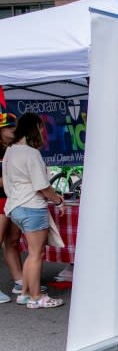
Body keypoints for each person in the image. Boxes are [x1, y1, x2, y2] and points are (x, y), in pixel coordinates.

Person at [2, 113, 64, 309]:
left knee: (31, 253)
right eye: (41, 127)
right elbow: (42, 186)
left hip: (15, 205)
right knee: (36, 254)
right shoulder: (31, 153)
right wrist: (58, 199)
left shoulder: (11, 151)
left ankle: (26, 293)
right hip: (32, 206)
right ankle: (36, 296)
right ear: (35, 129)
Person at [0, 111, 24, 303]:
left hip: (14, 199)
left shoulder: (16, 148)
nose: (14, 130)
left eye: (15, 126)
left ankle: (20, 281)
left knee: (13, 241)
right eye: (9, 127)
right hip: (1, 200)